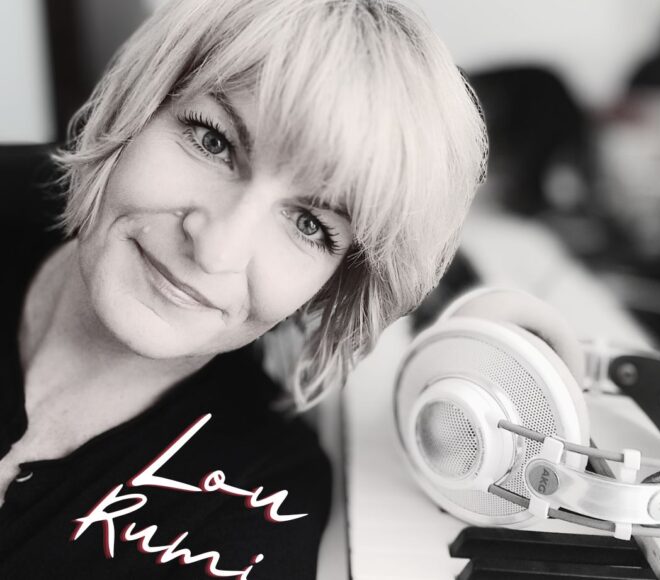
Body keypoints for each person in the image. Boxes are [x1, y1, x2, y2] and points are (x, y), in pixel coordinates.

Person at [0, 0, 487, 578]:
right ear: (137, 104)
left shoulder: (259, 506)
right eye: (213, 141)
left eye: (309, 224)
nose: (216, 250)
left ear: (334, 285)